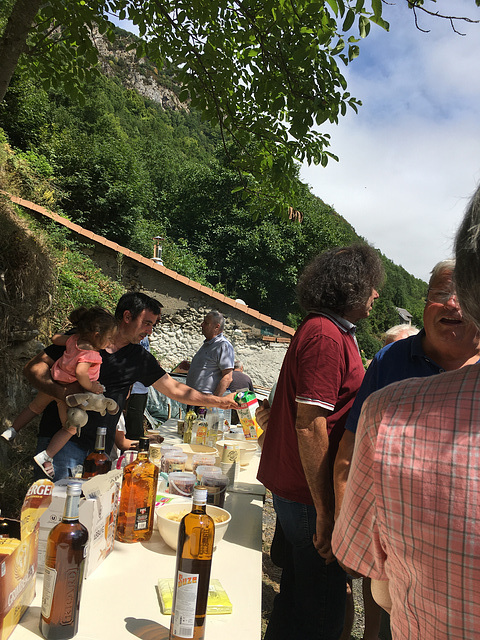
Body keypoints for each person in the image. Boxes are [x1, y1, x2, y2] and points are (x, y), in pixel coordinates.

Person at [332, 184, 480, 640]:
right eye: (440, 293)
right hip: (391, 569)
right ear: (424, 304)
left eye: (460, 293)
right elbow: (347, 453)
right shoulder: (390, 364)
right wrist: (340, 519)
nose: (451, 303)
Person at [257, 243, 384, 640]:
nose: (376, 294)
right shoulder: (326, 336)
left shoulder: (326, 330)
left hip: (302, 492)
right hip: (310, 496)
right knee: (322, 612)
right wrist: (328, 511)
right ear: (351, 287)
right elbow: (310, 425)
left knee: (298, 593)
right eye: (371, 286)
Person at [23, 292, 237, 481]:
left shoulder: (139, 358)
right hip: (61, 443)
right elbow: (33, 369)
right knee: (50, 513)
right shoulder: (86, 337)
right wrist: (62, 393)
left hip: (100, 450)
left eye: (153, 324)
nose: (150, 331)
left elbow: (176, 390)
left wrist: (220, 401)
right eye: (147, 323)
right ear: (127, 317)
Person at [4, 306, 118, 479]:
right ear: (96, 335)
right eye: (109, 338)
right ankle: (47, 456)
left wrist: (68, 339)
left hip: (54, 381)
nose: (110, 343)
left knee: (34, 407)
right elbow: (80, 372)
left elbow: (55, 338)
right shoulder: (91, 354)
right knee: (70, 428)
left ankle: (12, 429)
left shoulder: (73, 340)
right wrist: (91, 387)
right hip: (68, 393)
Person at [185, 310, 235, 397]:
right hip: (194, 399)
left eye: (206, 323)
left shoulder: (223, 345)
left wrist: (213, 402)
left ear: (216, 327)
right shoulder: (209, 344)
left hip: (204, 402)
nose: (202, 325)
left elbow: (227, 377)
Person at [124, 336, 150, 439]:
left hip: (142, 389)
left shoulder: (145, 336)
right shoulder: (131, 336)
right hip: (132, 390)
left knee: (137, 428)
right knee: (132, 432)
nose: (150, 330)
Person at [229, 359, 254, 424]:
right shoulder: (247, 378)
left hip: (229, 407)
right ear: (241, 368)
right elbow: (252, 395)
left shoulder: (227, 377)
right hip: (243, 408)